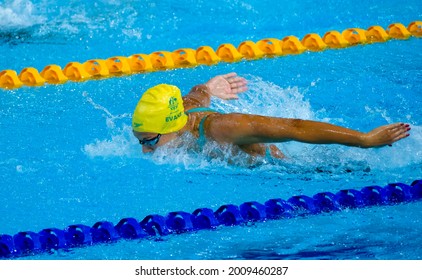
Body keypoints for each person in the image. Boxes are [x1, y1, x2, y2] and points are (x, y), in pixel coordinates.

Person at [131, 72, 411, 159]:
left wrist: (364, 139)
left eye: (150, 141)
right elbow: (195, 93)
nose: (145, 149)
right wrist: (210, 87)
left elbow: (294, 127)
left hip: (292, 169)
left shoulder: (222, 128)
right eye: (140, 140)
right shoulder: (182, 109)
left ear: (173, 126)